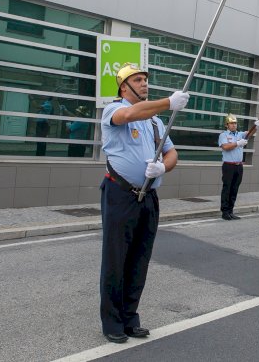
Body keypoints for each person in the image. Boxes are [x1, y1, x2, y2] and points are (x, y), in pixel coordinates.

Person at [99, 62, 189, 344]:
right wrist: (168, 102)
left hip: (148, 197)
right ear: (124, 87)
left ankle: (130, 317)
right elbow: (130, 113)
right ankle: (112, 322)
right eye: (137, 80)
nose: (144, 83)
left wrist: (164, 167)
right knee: (116, 259)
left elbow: (172, 153)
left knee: (140, 259)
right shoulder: (114, 110)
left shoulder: (155, 122)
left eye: (145, 80)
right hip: (120, 194)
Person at [218, 114, 259, 220]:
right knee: (227, 188)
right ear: (226, 125)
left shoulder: (240, 134)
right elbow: (225, 147)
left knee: (234, 189)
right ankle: (225, 212)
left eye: (235, 123)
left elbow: (250, 133)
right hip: (229, 166)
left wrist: (256, 127)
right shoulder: (223, 135)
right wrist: (237, 143)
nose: (234, 125)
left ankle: (231, 211)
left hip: (239, 166)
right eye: (231, 123)